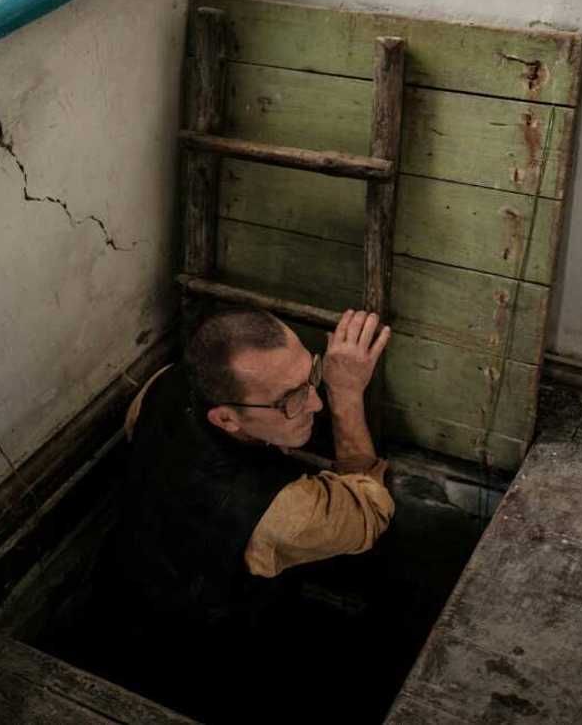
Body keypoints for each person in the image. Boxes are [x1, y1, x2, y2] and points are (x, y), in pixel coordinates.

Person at [89, 306, 396, 720]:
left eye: (313, 376)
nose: (316, 403)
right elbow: (369, 514)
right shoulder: (281, 516)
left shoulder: (166, 385)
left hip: (125, 582)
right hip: (205, 651)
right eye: (291, 400)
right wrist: (346, 394)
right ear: (228, 419)